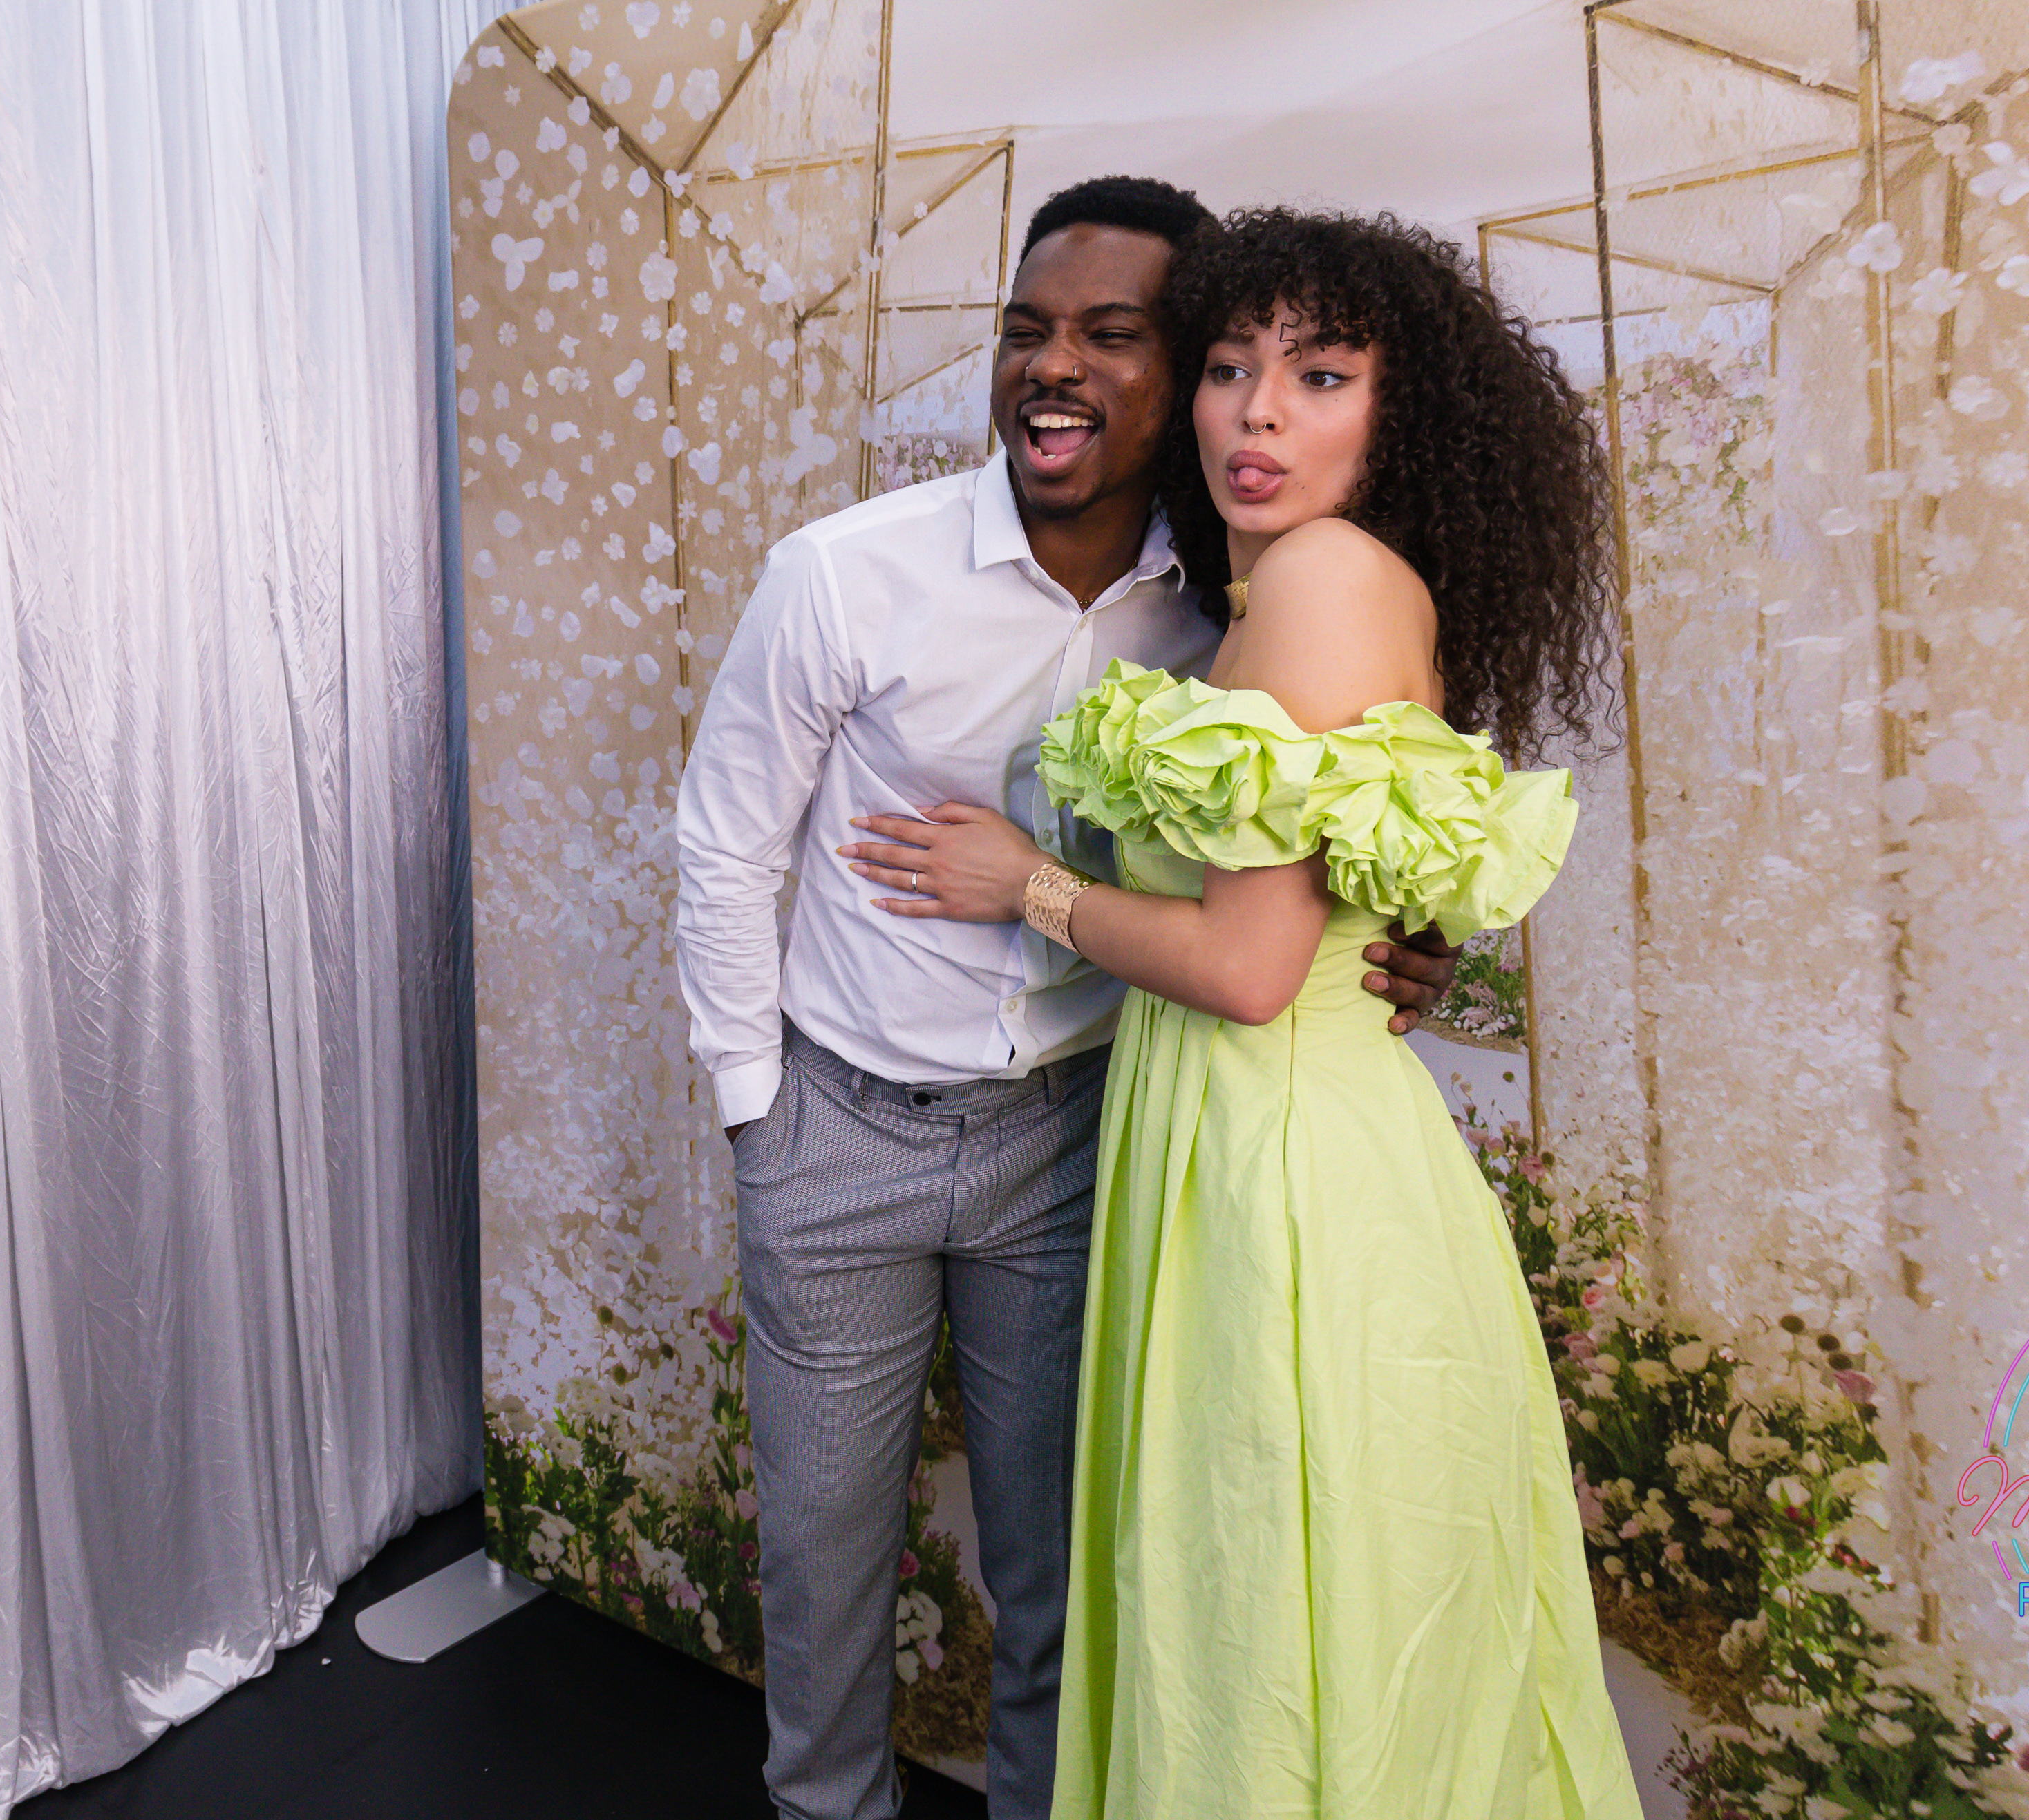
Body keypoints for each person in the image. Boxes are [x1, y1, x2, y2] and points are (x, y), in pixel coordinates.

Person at [670, 180, 1461, 1820]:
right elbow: (725, 844)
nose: (1058, 367)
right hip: (841, 1135)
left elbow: (1326, 838)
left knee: (1062, 1579)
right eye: (1029, 330)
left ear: (1176, 375)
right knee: (821, 1571)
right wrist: (761, 1114)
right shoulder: (842, 573)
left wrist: (1397, 933)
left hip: (1083, 1150)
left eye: (1115, 336)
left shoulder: (1230, 598)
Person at [841, 207, 1646, 1816]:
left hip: (1277, 1167)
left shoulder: (1326, 578)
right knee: (1290, 1599)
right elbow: (1334, 911)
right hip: (1259, 1137)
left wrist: (1029, 887)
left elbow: (1250, 966)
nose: (1256, 414)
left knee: (1266, 1605)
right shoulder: (1286, 585)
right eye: (1226, 369)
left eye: (1322, 376)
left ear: (1397, 418)